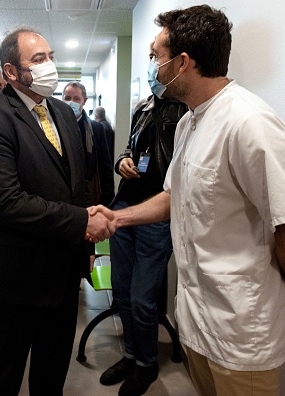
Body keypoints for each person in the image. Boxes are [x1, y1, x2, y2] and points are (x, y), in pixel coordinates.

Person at [90, 5, 285, 395]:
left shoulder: (250, 123)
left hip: (241, 336)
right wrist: (116, 219)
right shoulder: (190, 121)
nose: (152, 66)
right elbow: (173, 196)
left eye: (155, 56)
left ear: (182, 62)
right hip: (198, 324)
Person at [0, 27, 114, 396]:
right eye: (38, 60)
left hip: (63, 269)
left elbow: (76, 183)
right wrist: (83, 221)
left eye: (50, 56)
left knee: (52, 371)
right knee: (5, 373)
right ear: (12, 71)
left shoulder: (64, 112)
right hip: (16, 275)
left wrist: (89, 220)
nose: (50, 65)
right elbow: (4, 201)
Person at [98, 92, 187, 395]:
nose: (152, 62)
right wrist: (123, 160)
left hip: (157, 215)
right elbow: (130, 146)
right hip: (125, 207)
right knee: (121, 291)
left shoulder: (188, 108)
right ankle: (131, 356)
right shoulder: (144, 105)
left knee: (141, 298)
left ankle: (147, 365)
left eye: (156, 55)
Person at [62, 81, 114, 206]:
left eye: (76, 99)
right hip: (62, 192)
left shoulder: (96, 129)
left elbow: (105, 166)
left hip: (88, 190)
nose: (71, 102)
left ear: (84, 101)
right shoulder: (54, 126)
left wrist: (108, 201)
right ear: (62, 99)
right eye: (67, 98)